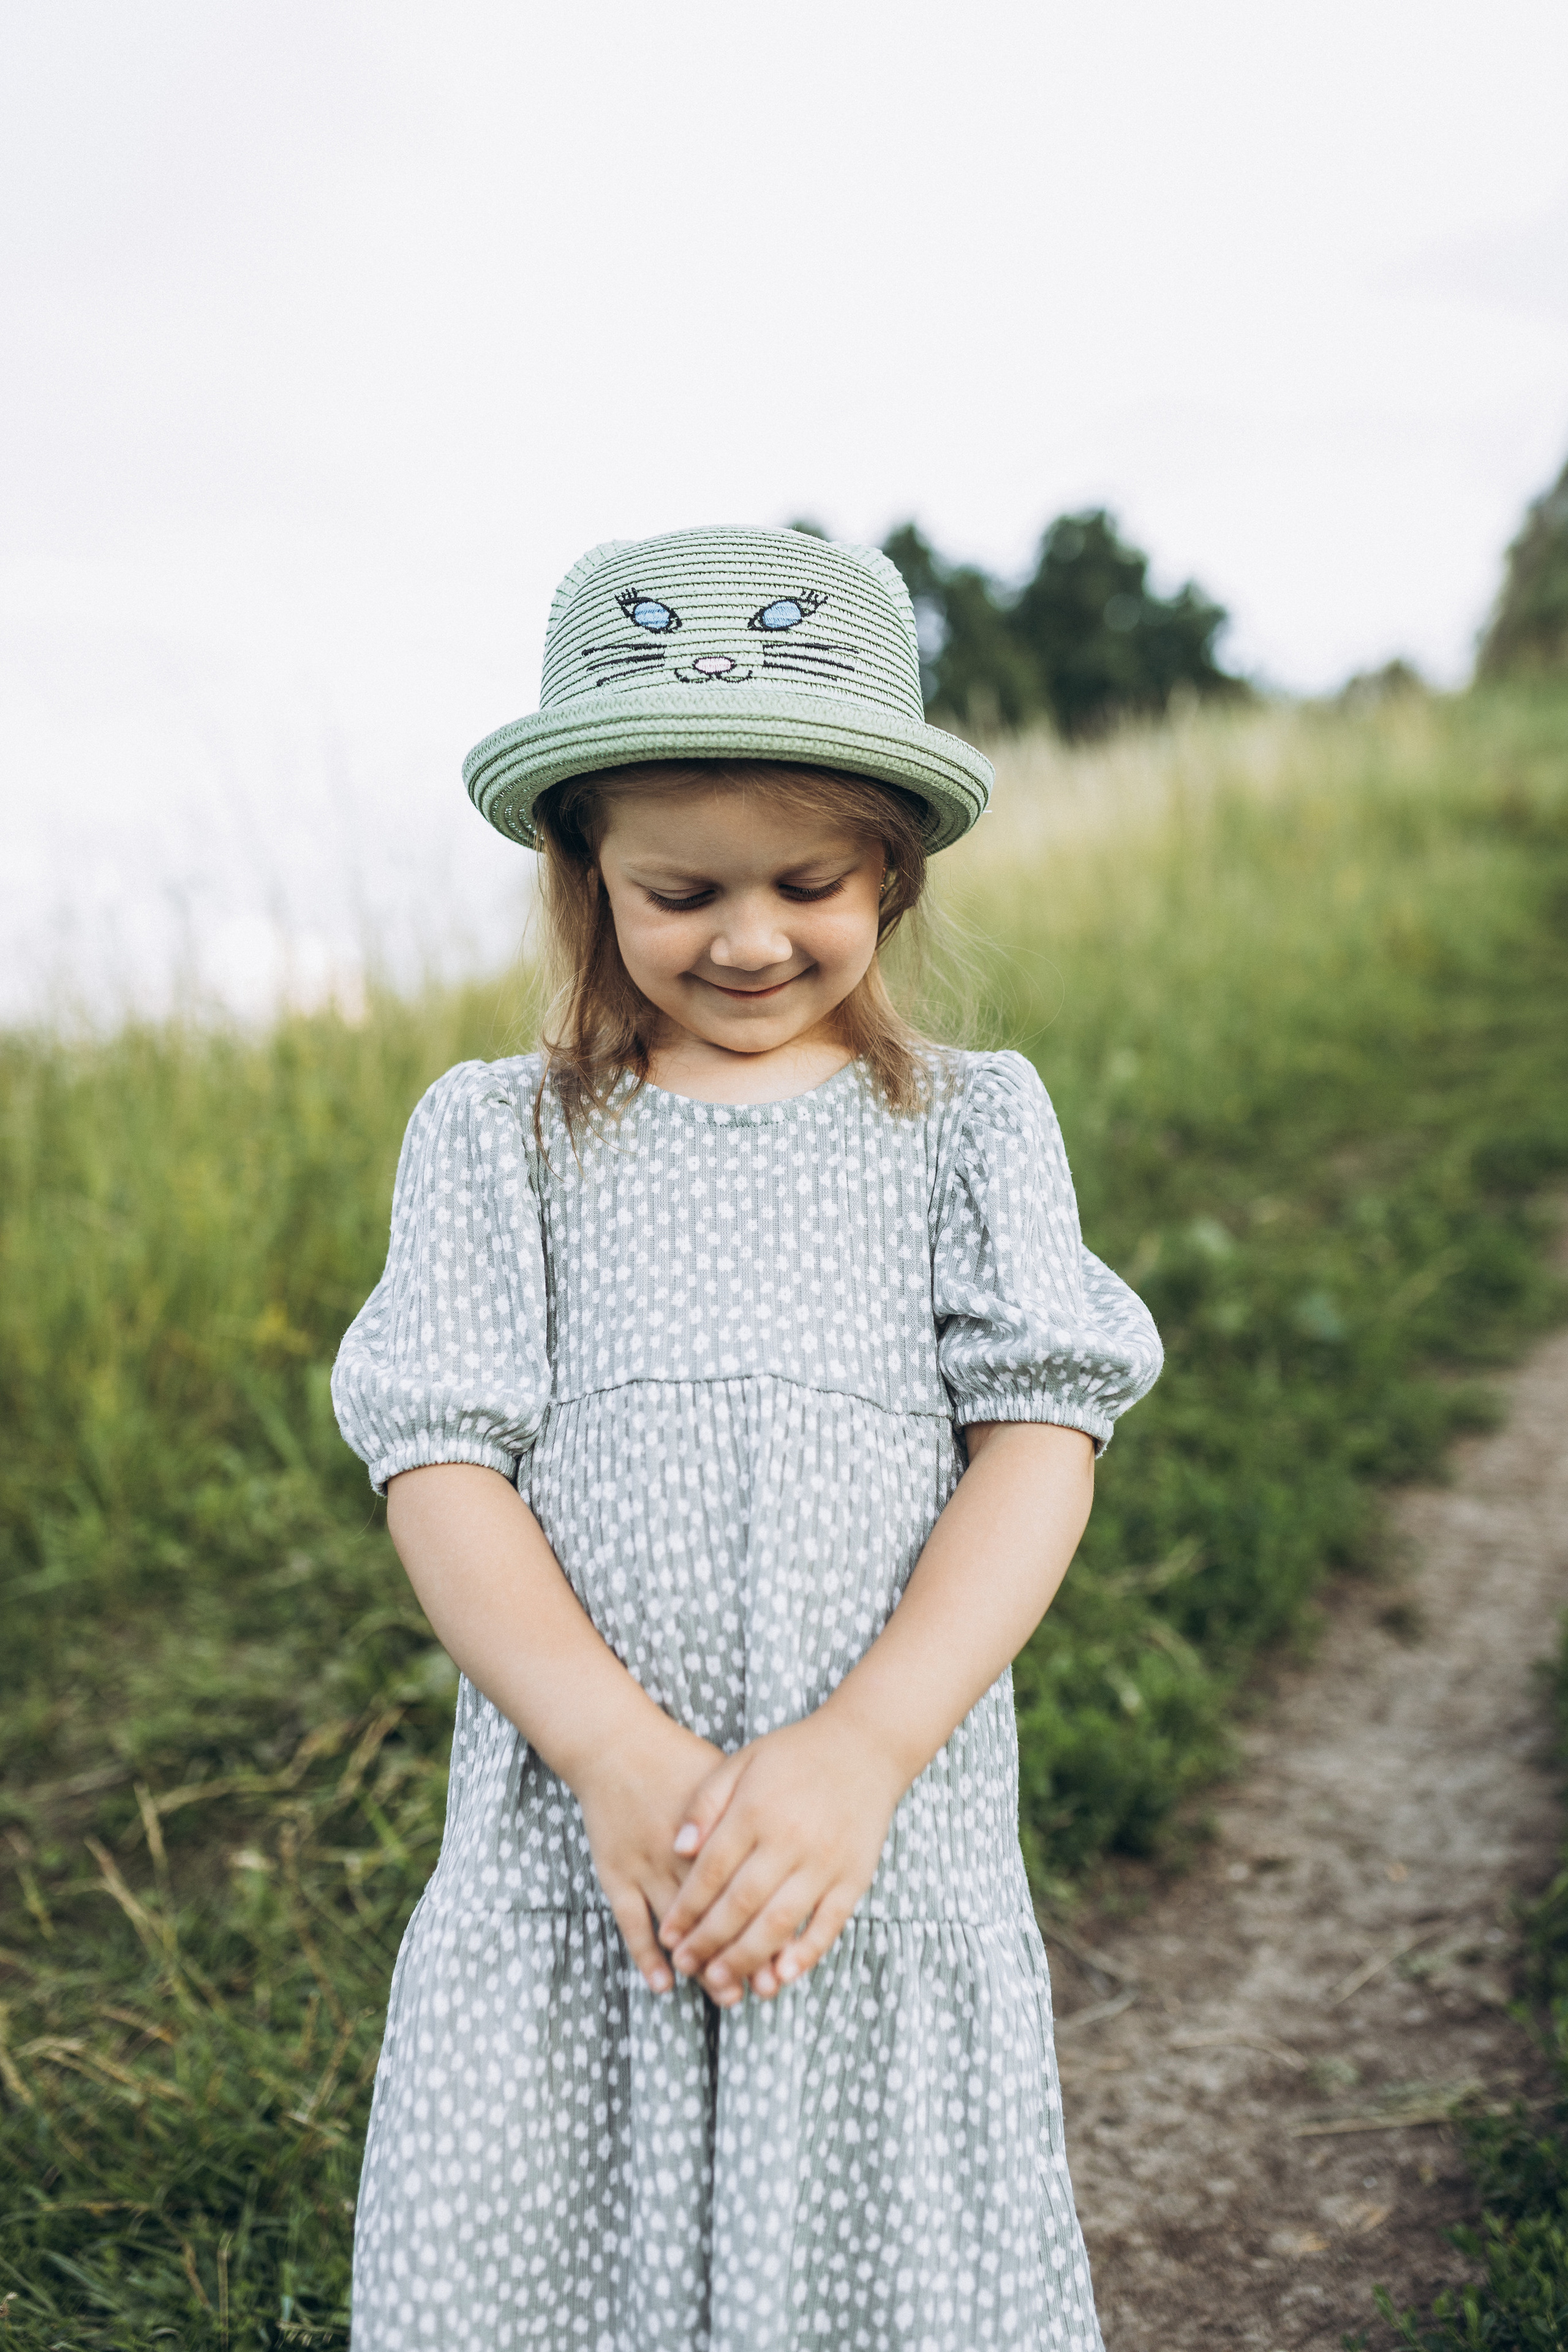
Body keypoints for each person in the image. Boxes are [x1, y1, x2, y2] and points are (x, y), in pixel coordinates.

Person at [331, 525, 1163, 2352]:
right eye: (682, 889)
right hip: (585, 1838)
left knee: (880, 2266)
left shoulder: (971, 1125)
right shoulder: (496, 1138)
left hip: (880, 1831)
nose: (751, 937)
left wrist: (866, 1749)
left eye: (808, 880)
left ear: (895, 871)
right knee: (555, 2260)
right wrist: (613, 1754)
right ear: (586, 874)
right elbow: (441, 1459)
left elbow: (1041, 1436)